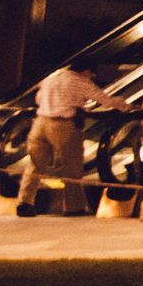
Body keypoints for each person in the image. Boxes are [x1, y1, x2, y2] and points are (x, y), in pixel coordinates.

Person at [16, 57, 112, 216]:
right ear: (86, 70)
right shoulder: (79, 81)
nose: (91, 77)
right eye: (91, 74)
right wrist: (126, 106)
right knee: (72, 166)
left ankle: (25, 202)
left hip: (40, 123)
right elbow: (103, 99)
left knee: (35, 165)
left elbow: (38, 98)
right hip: (63, 124)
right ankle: (73, 206)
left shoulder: (51, 77)